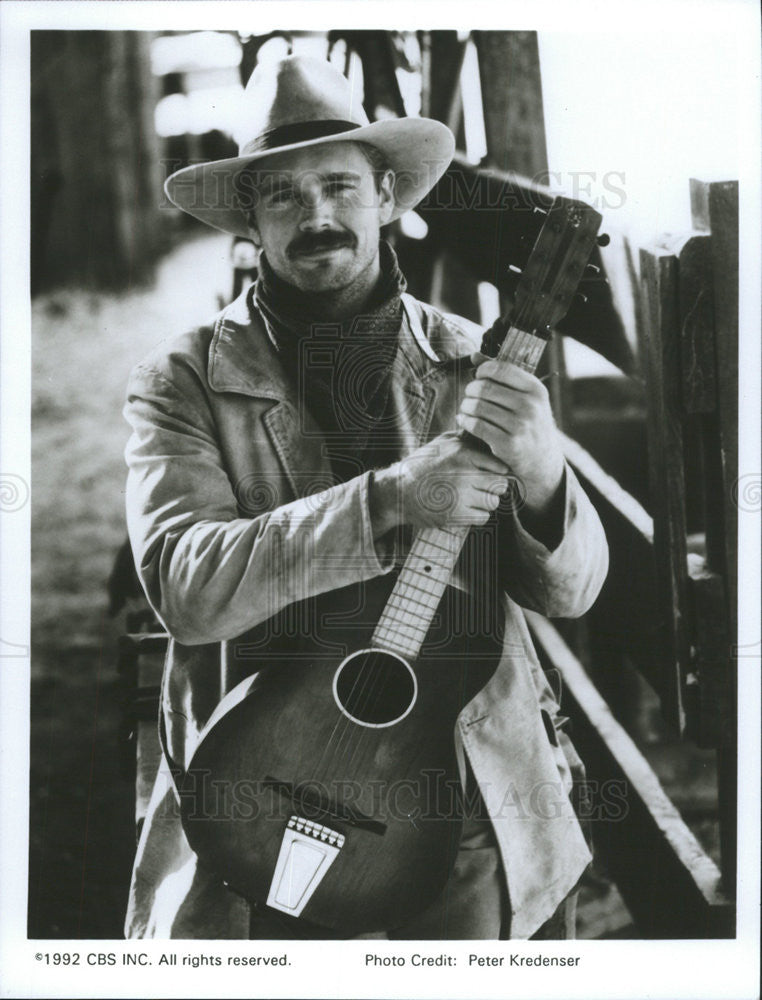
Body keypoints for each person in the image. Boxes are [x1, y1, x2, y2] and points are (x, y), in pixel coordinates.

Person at [123, 54, 608, 940]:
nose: (317, 217)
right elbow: (187, 589)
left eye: (341, 186)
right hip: (259, 795)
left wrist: (541, 475)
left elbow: (574, 593)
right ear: (250, 224)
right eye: (283, 196)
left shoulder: (474, 360)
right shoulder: (183, 381)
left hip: (462, 793)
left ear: (390, 198)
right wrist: (389, 500)